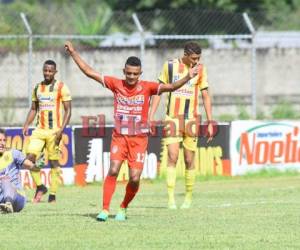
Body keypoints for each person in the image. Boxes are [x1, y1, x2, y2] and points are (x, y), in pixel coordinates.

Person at [64, 41, 200, 221]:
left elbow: (170, 87)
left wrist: (187, 77)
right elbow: (89, 72)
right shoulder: (115, 84)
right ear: (123, 71)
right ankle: (105, 209)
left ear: (140, 74)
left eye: (135, 74)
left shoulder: (148, 87)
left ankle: (123, 207)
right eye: (128, 73)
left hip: (139, 139)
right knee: (113, 170)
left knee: (134, 178)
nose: (131, 77)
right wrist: (73, 52)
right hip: (119, 138)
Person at [149, 41, 214, 209]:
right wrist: (150, 116)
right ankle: (171, 199)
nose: (196, 61)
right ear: (185, 54)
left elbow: (205, 95)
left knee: (189, 159)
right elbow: (158, 91)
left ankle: (188, 197)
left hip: (191, 120)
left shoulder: (201, 70)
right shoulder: (169, 66)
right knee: (172, 156)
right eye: (193, 58)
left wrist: (210, 121)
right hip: (172, 118)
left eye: (198, 58)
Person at [23, 60, 72, 203]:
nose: (47, 73)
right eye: (45, 70)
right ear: (43, 70)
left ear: (55, 72)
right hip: (39, 130)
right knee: (29, 159)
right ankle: (40, 186)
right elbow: (33, 109)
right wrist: (26, 124)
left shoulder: (61, 87)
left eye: (50, 71)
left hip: (54, 132)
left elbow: (68, 110)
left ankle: (53, 195)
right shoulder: (37, 87)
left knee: (53, 162)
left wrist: (61, 130)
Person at [0, 128, 43, 213]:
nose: (2, 143)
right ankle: (4, 207)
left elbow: (32, 166)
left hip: (17, 197)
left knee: (5, 179)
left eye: (4, 140)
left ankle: (8, 204)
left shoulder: (13, 154)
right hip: (1, 197)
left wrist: (38, 165)